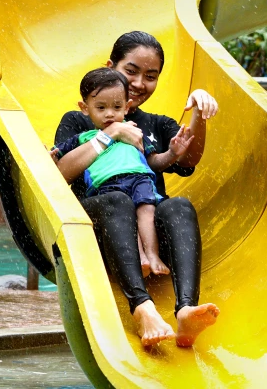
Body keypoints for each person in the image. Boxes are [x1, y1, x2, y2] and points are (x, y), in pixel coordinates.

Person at [54, 31, 220, 348]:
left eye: (151, 76)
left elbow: (188, 159)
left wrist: (199, 112)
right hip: (100, 229)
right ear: (111, 65)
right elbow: (59, 173)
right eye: (130, 71)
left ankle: (185, 309)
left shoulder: (155, 124)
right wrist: (110, 133)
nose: (139, 82)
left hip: (148, 230)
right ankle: (142, 307)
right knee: (116, 200)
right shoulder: (79, 120)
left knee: (179, 205)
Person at [51, 67, 194, 277]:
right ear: (85, 107)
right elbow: (61, 156)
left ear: (126, 107)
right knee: (125, 213)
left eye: (116, 107)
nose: (109, 113)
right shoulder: (85, 137)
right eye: (101, 108)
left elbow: (152, 159)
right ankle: (140, 257)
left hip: (139, 179)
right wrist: (52, 157)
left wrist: (172, 153)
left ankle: (152, 255)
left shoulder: (133, 129)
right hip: (109, 184)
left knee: (147, 210)